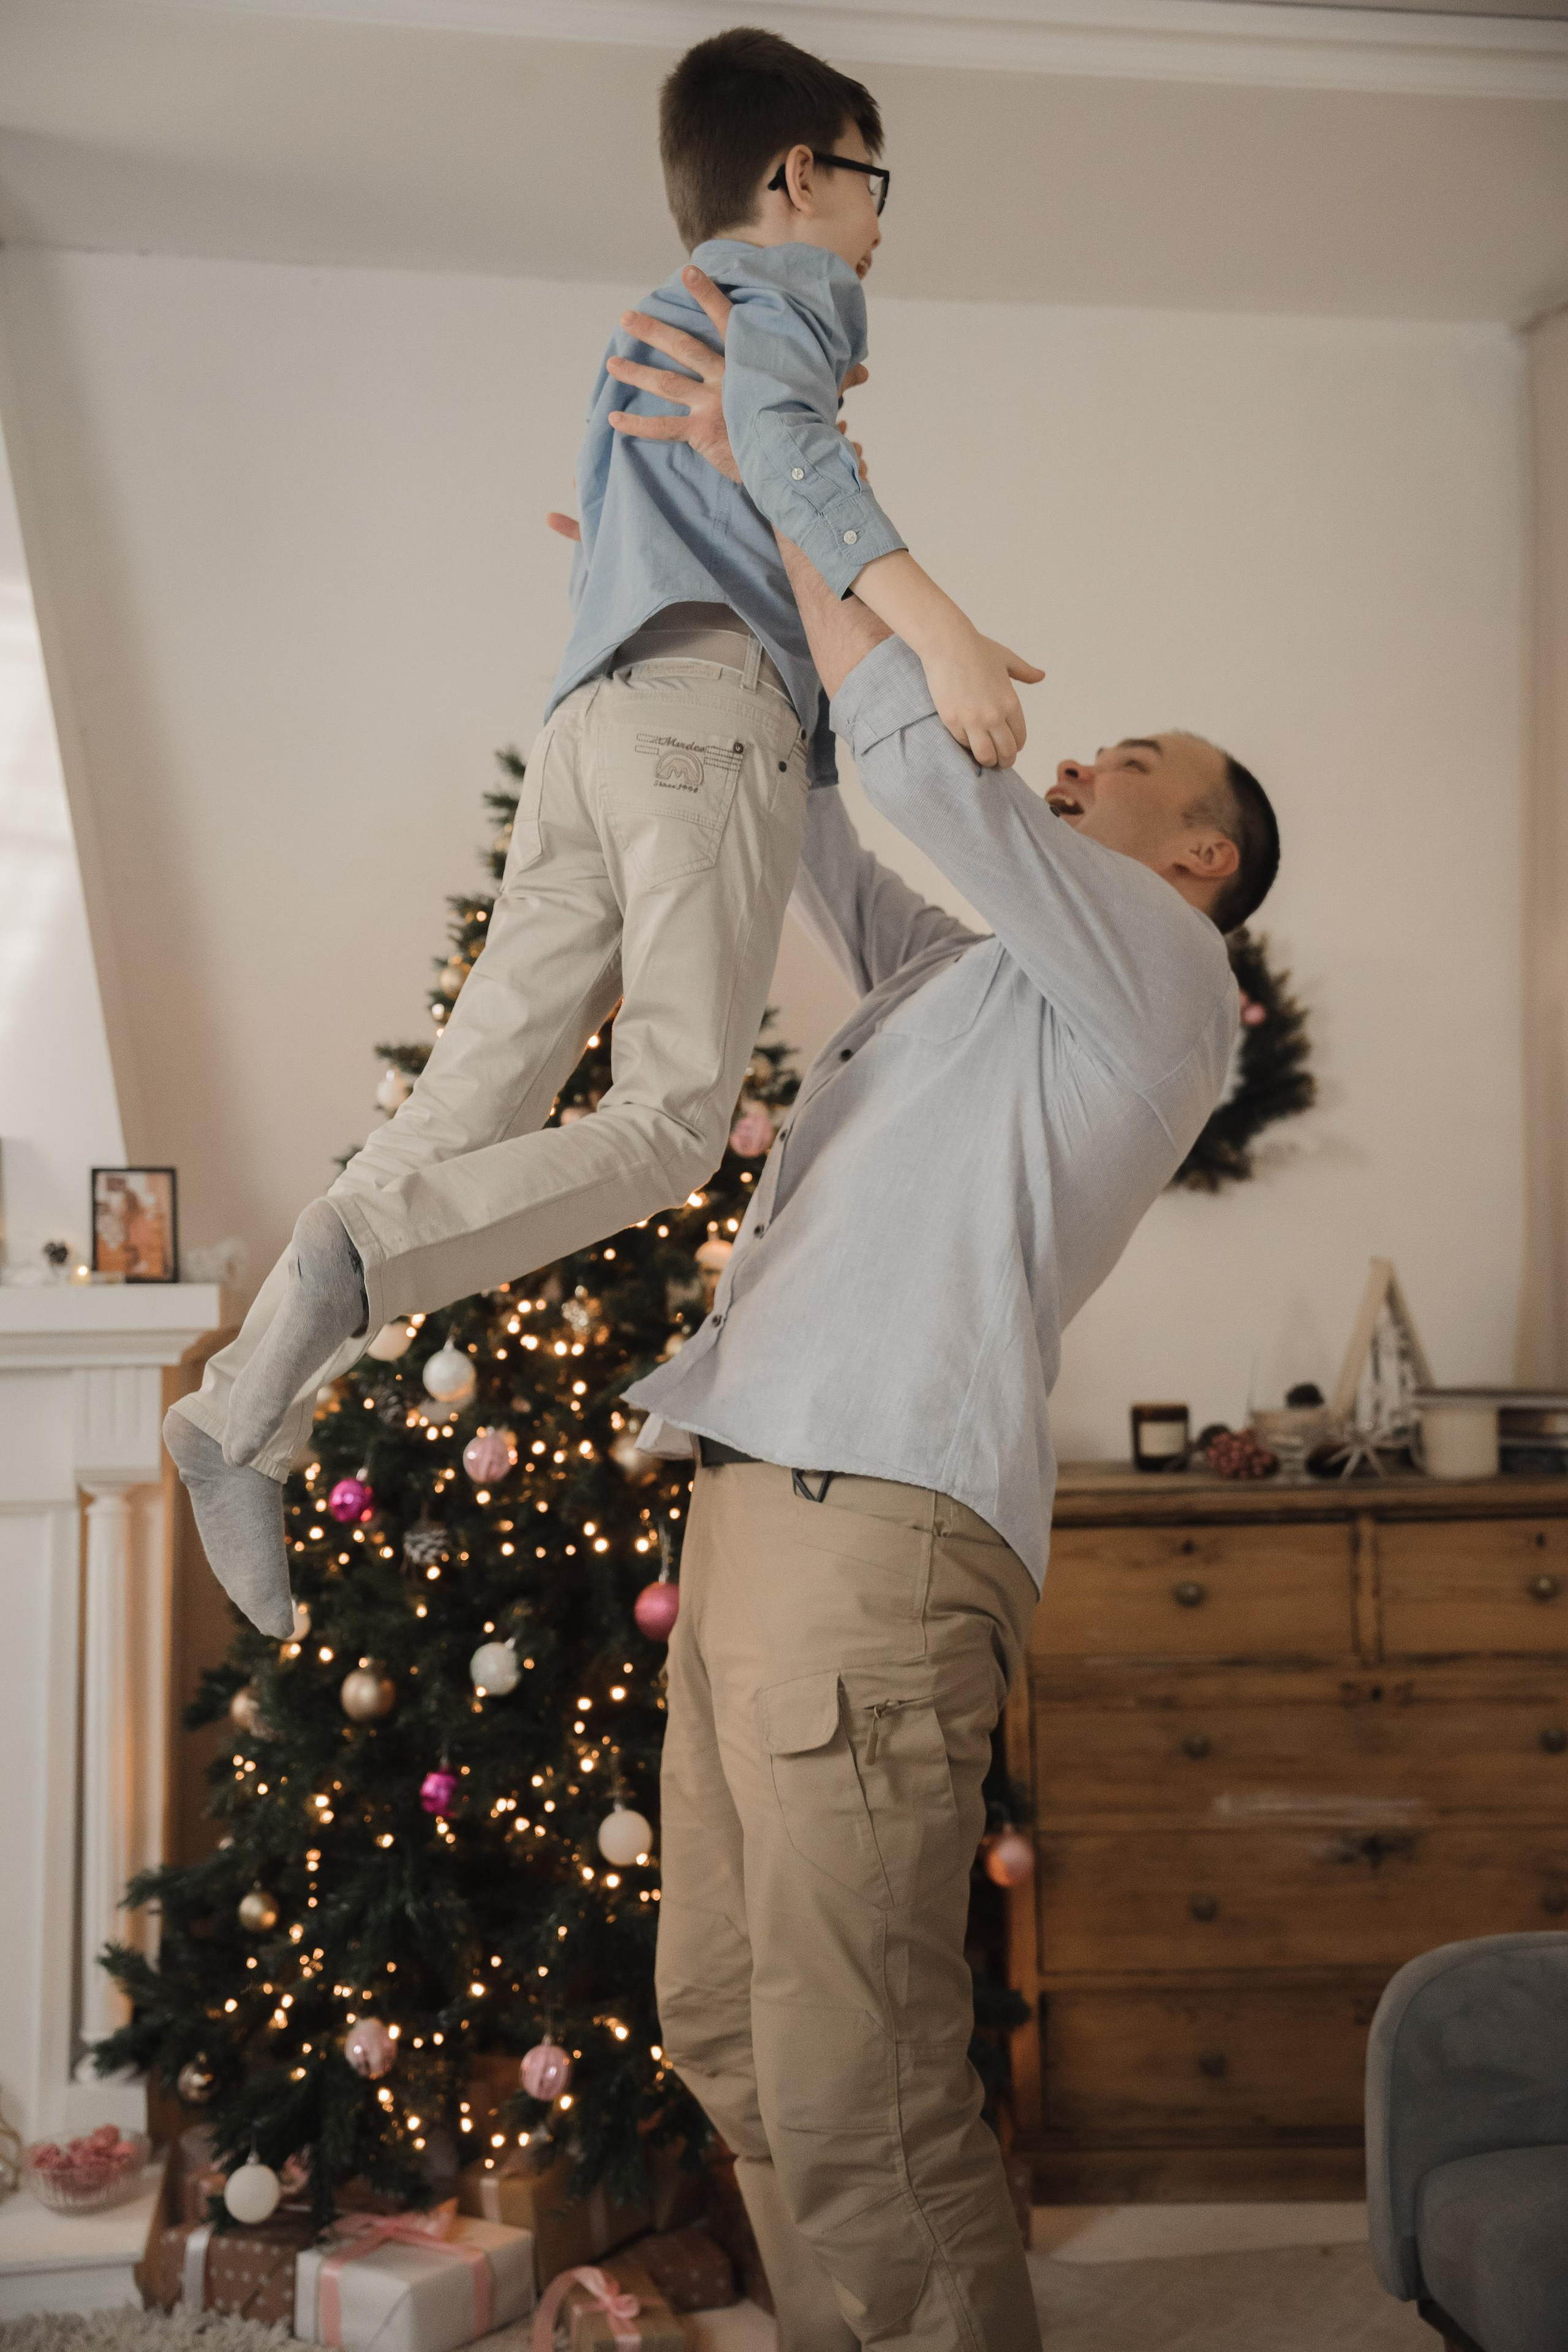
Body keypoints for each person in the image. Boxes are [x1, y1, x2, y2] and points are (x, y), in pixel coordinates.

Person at [164, 24, 1040, 1640]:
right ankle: (356, 1262)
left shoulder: (655, 318)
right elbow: (790, 459)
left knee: (465, 1101)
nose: (877, 225)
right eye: (871, 183)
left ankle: (237, 1413)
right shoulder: (790, 296)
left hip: (595, 728)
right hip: (699, 732)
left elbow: (700, 509)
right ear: (798, 176)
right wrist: (947, 633)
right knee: (671, 1122)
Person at [595, 279, 1278, 2350]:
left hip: (876, 1534)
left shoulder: (1165, 985)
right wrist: (699, 554)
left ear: (1204, 851)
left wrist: (782, 473)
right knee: (729, 2025)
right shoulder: (969, 988)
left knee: (864, 2079)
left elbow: (927, 759)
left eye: (1129, 759)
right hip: (758, 1512)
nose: (1082, 753)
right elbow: (826, 800)